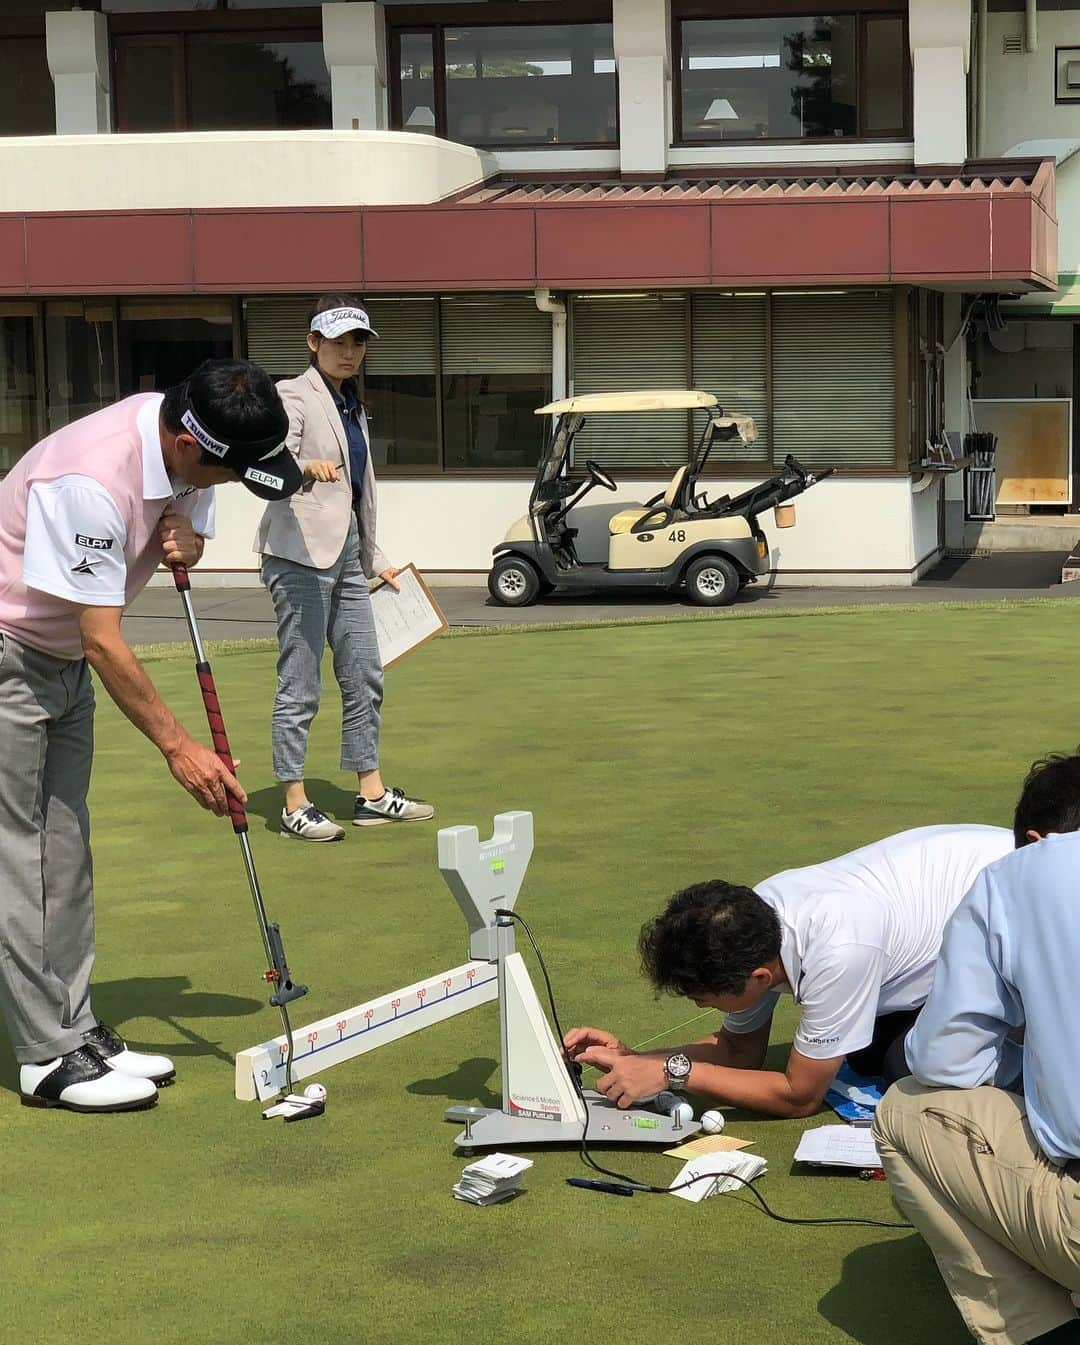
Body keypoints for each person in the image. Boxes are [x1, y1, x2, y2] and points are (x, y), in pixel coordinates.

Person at [0, 359, 301, 1114]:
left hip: (57, 657)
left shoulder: (180, 437)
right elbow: (102, 639)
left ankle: (73, 1027)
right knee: (25, 854)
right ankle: (45, 1056)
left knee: (63, 848)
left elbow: (186, 532)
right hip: (13, 652)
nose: (235, 482)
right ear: (189, 445)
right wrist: (180, 746)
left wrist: (189, 545)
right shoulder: (91, 483)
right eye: (233, 471)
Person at [564, 824, 1013, 1118]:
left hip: (1023, 910)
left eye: (703, 996)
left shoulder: (838, 948)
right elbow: (740, 1052)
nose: (699, 1002)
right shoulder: (751, 922)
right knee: (863, 1052)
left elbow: (800, 1096)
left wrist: (675, 1072)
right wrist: (638, 1060)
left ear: (759, 979)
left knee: (906, 1067)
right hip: (958, 901)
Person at [873, 751, 1080, 1345]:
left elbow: (944, 1060)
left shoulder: (1021, 872)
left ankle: (1039, 1330)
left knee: (904, 1108)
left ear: (1036, 840)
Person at [255, 294, 433, 842]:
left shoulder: (351, 402)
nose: (349, 351)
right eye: (338, 341)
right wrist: (307, 467)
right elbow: (268, 464)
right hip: (299, 557)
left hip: (348, 555)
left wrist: (374, 558)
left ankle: (371, 794)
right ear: (313, 343)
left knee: (364, 675)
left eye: (357, 341)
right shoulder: (294, 393)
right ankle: (293, 803)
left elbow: (357, 495)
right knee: (300, 682)